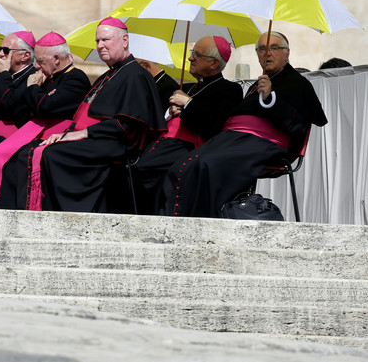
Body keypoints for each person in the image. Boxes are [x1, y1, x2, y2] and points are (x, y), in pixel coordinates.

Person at [162, 31, 328, 217]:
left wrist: (271, 99)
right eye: (262, 49)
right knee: (182, 166)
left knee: (208, 164)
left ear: (287, 53)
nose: (267, 53)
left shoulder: (299, 83)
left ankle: (205, 222)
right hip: (233, 139)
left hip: (264, 143)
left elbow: (300, 124)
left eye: (274, 48)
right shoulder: (255, 86)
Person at [27, 17, 166, 212]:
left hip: (115, 144)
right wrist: (69, 133)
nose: (100, 46)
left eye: (106, 40)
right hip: (98, 139)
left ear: (124, 40)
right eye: (97, 41)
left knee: (53, 155)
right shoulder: (109, 74)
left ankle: (69, 214)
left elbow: (126, 126)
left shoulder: (135, 75)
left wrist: (82, 134)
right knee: (37, 149)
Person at [0, 31, 90, 208]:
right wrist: (38, 95)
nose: (37, 66)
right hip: (32, 134)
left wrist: (33, 87)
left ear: (56, 58)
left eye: (40, 61)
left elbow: (44, 106)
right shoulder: (47, 78)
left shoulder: (75, 77)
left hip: (51, 137)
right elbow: (28, 108)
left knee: (0, 165)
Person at [134, 36, 243, 214]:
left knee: (143, 170)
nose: (190, 58)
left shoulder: (230, 90)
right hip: (164, 141)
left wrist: (189, 103)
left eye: (197, 54)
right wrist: (171, 111)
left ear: (214, 63)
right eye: (192, 53)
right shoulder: (190, 87)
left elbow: (214, 124)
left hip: (189, 146)